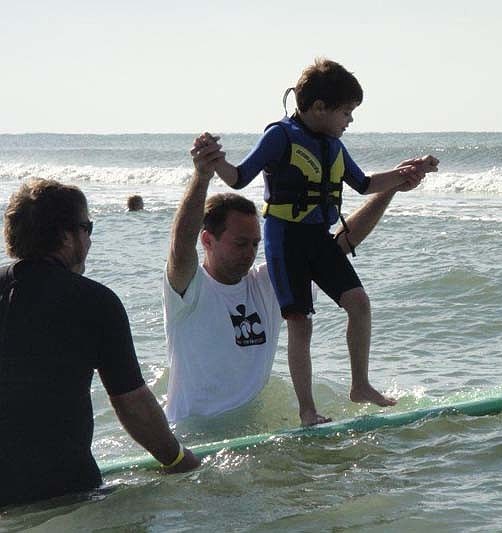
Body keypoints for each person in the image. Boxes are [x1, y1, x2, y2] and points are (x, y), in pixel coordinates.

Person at [209, 58, 438, 425]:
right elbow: (238, 177)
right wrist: (214, 161)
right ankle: (307, 410)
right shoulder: (280, 136)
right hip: (286, 239)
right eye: (346, 112)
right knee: (301, 323)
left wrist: (405, 173)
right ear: (319, 107)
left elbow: (365, 184)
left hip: (318, 239)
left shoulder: (333, 146)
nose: (350, 120)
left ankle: (360, 386)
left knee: (359, 303)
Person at [164, 132, 435, 426]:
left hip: (249, 429)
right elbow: (181, 247)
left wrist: (390, 188)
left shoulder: (267, 284)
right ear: (207, 240)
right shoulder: (189, 289)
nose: (250, 253)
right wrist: (202, 177)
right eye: (240, 244)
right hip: (191, 432)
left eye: (255, 244)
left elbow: (335, 248)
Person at [0, 180, 198, 507]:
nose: (89, 240)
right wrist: (178, 459)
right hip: (63, 491)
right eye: (87, 228)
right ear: (66, 236)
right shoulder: (93, 302)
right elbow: (132, 404)